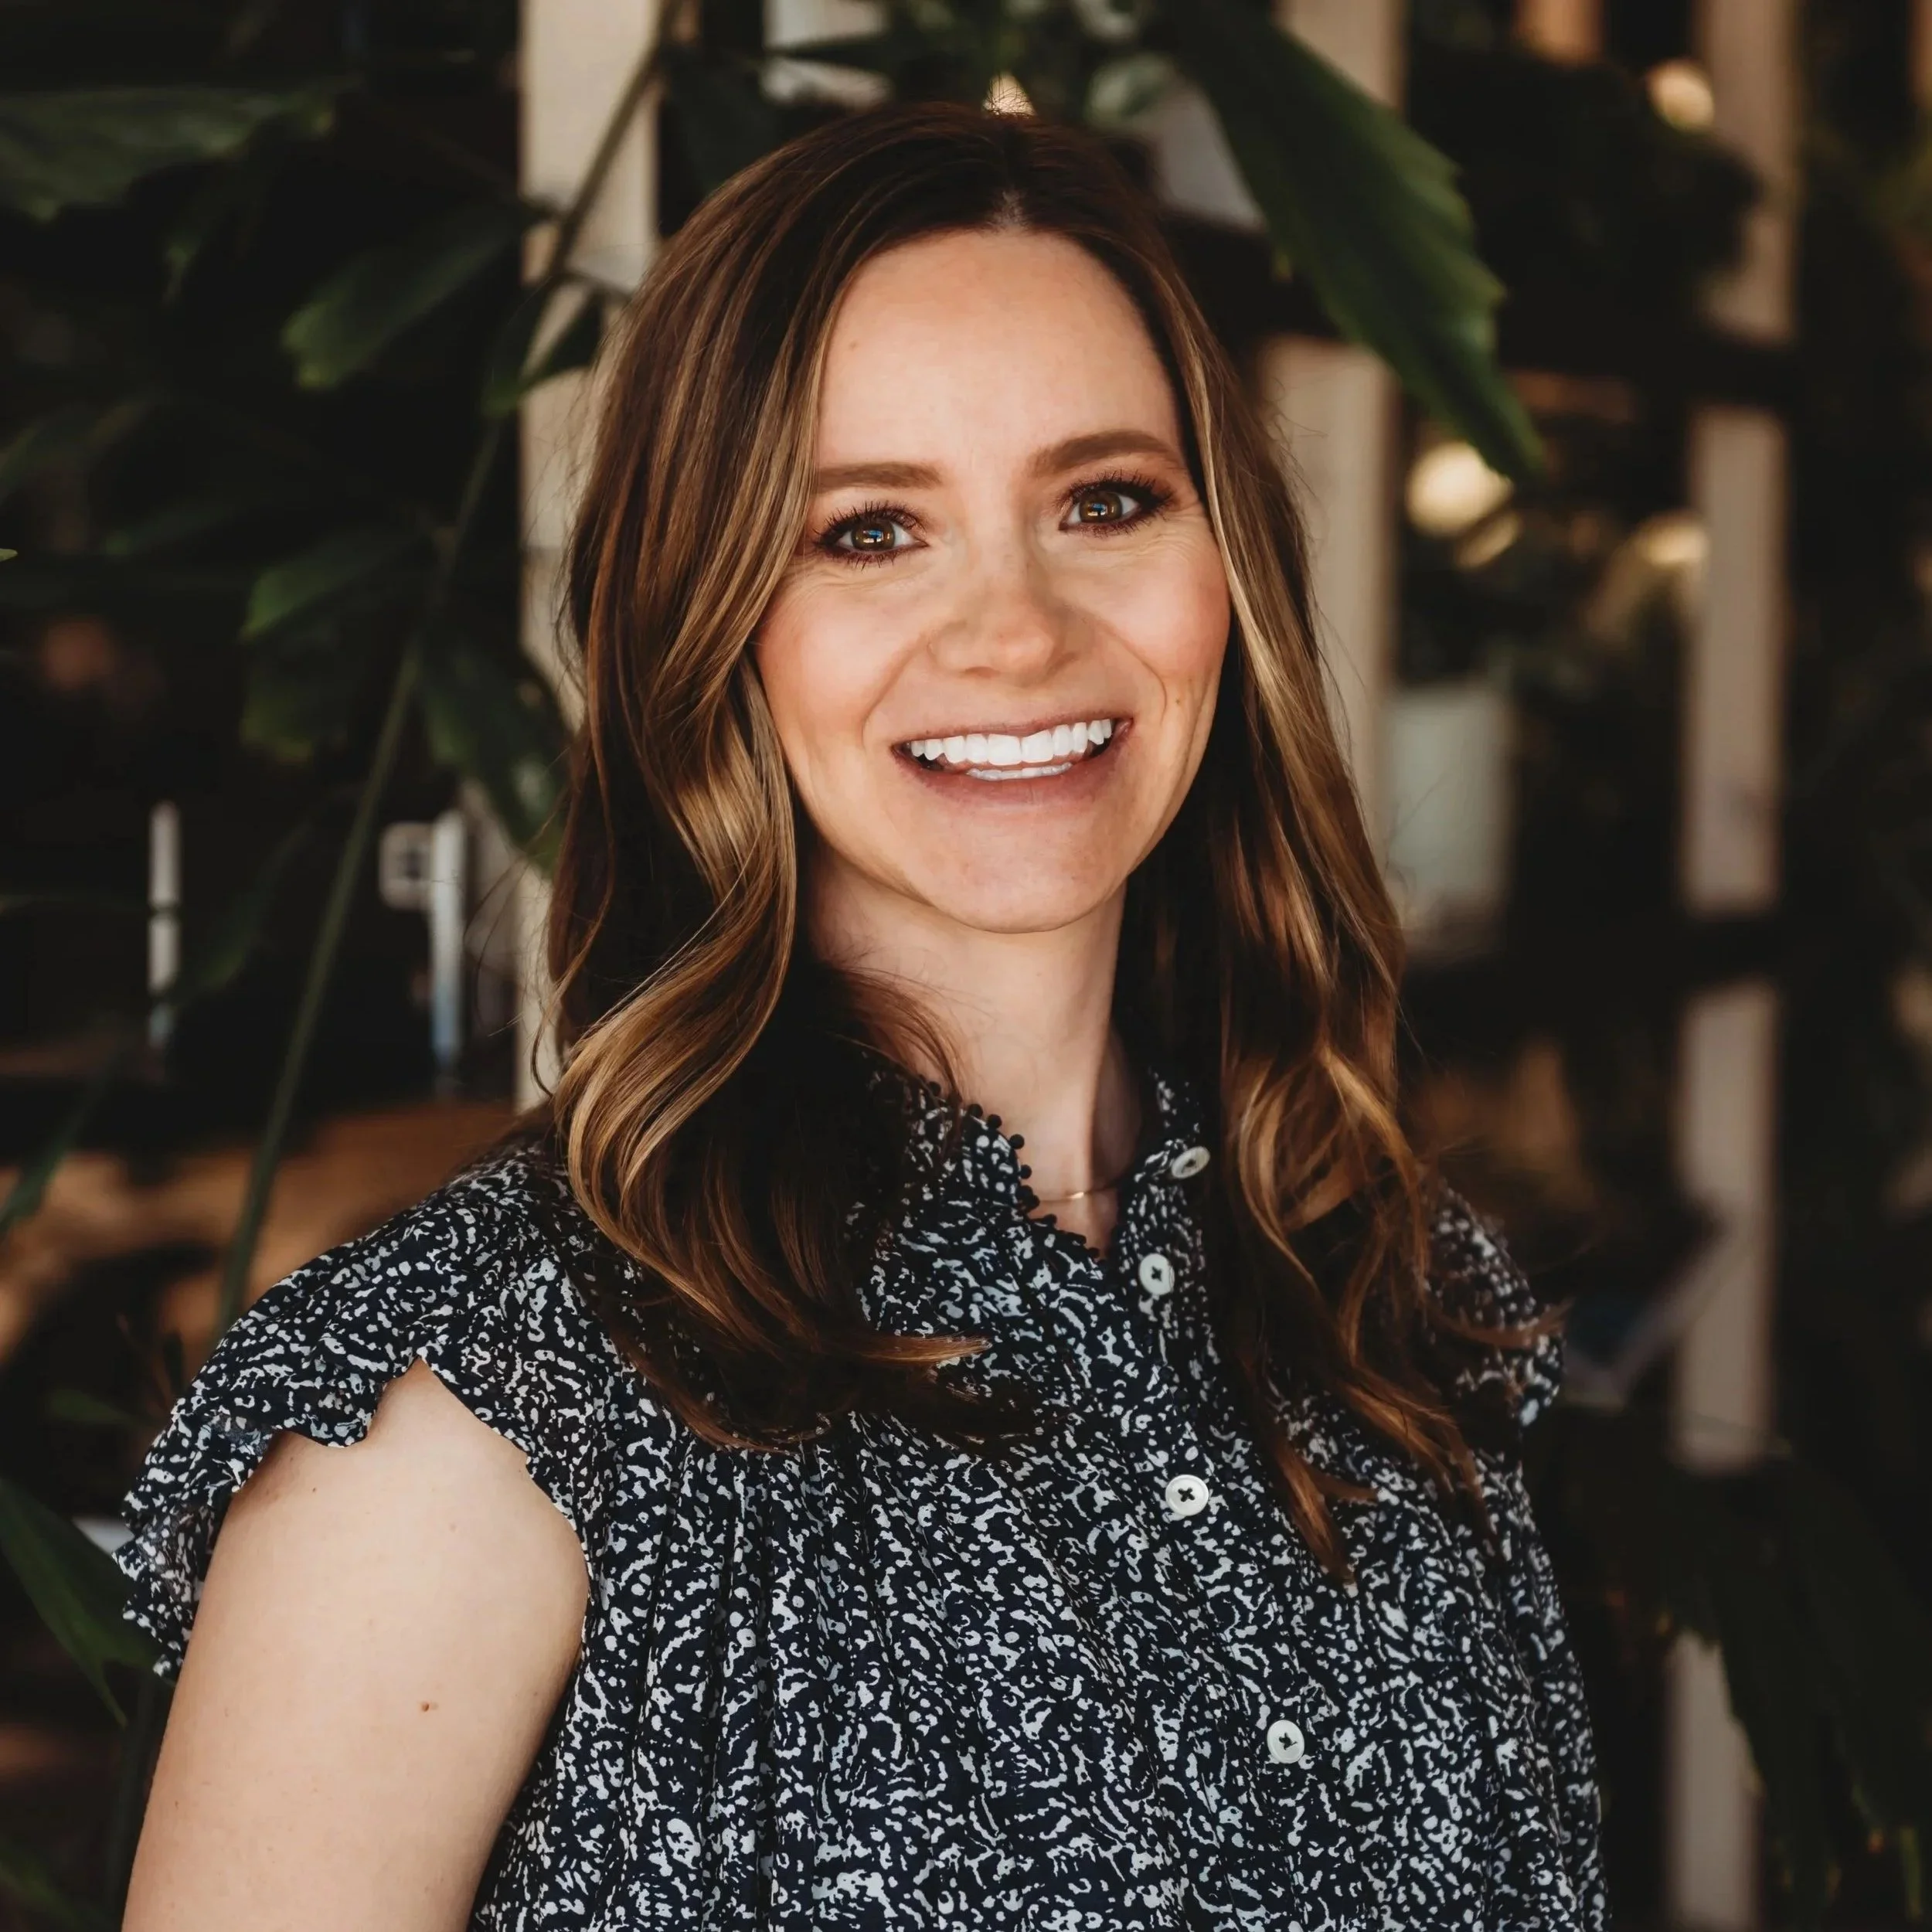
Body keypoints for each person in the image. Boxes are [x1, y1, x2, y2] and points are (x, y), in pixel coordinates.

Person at [115, 100, 1607, 1930]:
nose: (1013, 628)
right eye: (870, 528)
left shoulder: (1374, 1293)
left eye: (1104, 499)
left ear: (1232, 569)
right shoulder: (463, 1418)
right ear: (708, 617)